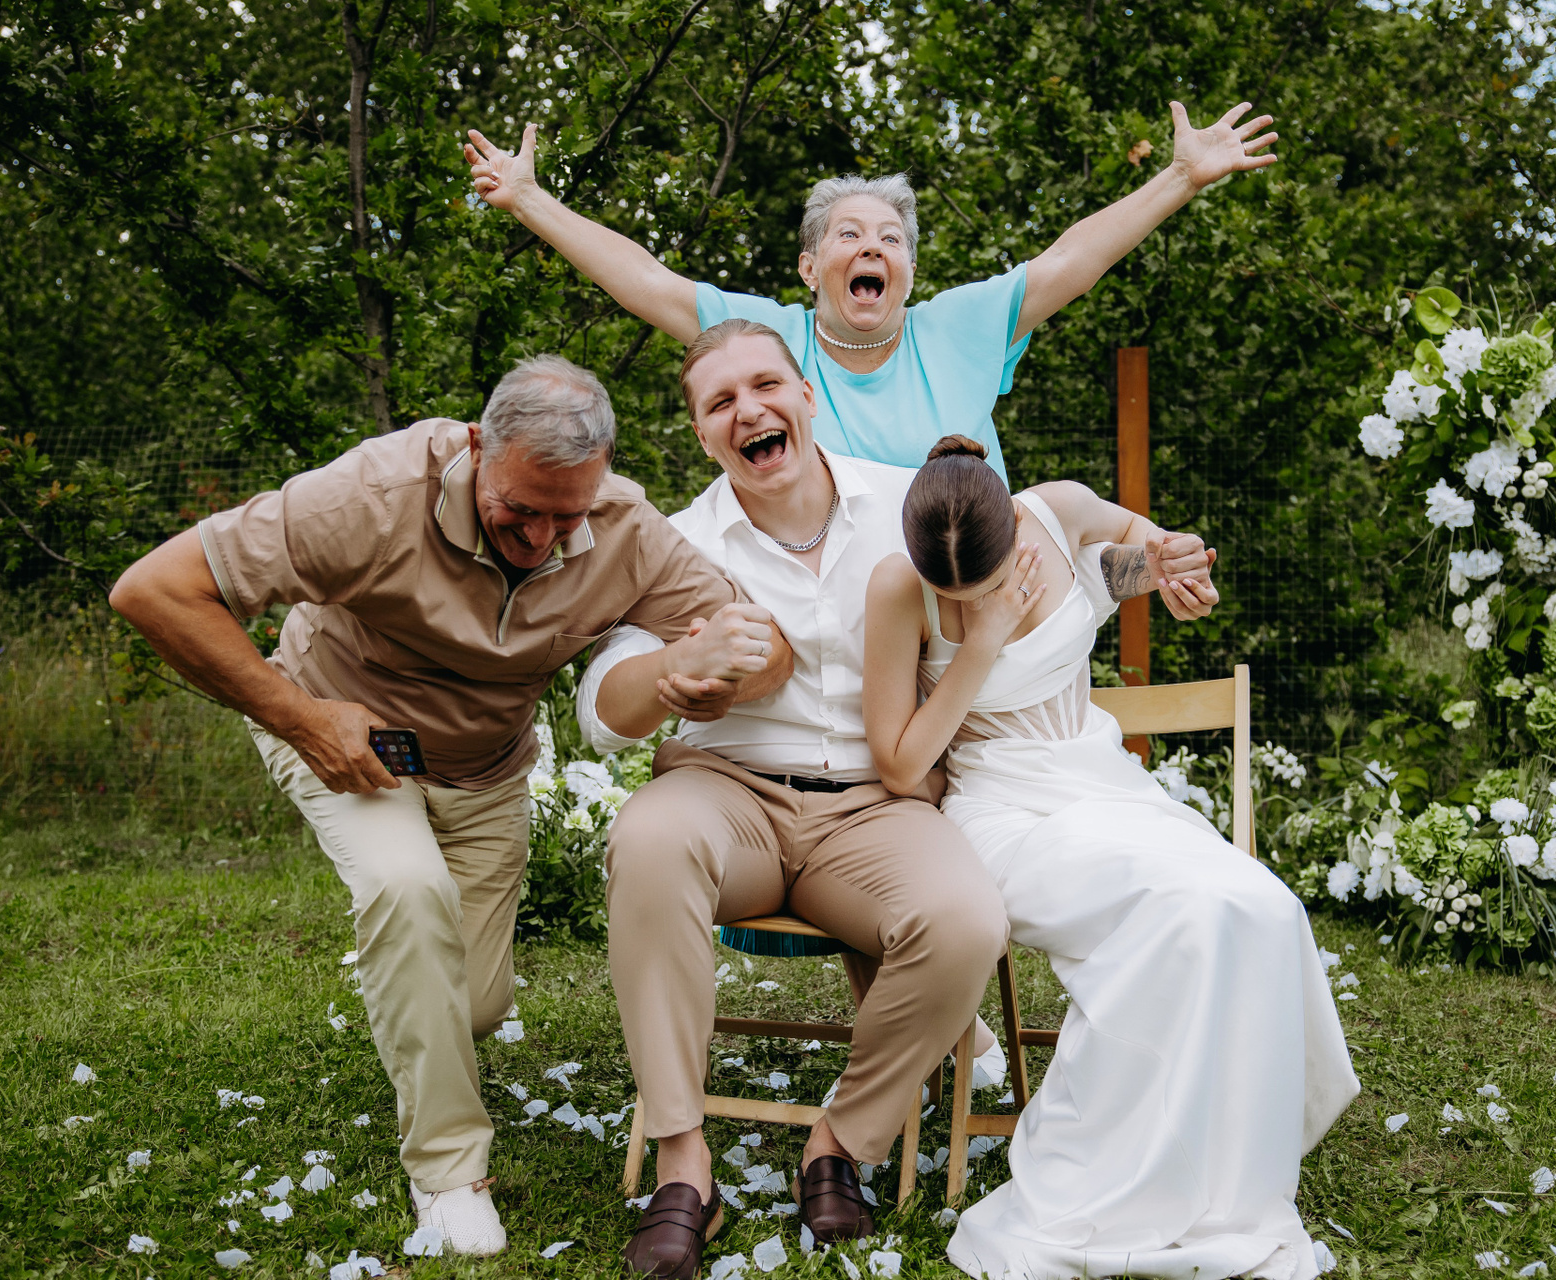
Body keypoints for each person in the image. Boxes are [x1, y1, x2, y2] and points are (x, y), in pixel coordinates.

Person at [574, 321, 1220, 1280]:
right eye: (720, 402)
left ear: (805, 395)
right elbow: (600, 706)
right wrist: (671, 670)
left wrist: (1150, 565)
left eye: (765, 386)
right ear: (702, 433)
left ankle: (841, 1140)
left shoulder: (910, 505)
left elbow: (1047, 568)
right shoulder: (675, 544)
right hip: (727, 793)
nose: (748, 411)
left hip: (880, 806)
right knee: (649, 840)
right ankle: (683, 1163)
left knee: (965, 920)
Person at [108, 354, 790, 1257]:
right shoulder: (373, 496)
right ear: (477, 447)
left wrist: (721, 675)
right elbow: (152, 589)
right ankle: (448, 1176)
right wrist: (300, 718)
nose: (541, 538)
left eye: (567, 517)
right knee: (407, 889)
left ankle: (413, 978)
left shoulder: (624, 526)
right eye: (520, 509)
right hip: (347, 739)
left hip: (488, 770)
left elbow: (766, 646)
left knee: (473, 1004)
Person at [861, 437, 1360, 1280]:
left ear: (1012, 529)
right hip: (1001, 809)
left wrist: (1175, 571)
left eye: (984, 586)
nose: (968, 603)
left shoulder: (1059, 511)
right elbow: (903, 767)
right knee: (1172, 915)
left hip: (1103, 781)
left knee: (1263, 904)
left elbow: (1143, 553)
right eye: (954, 596)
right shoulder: (896, 589)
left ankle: (1220, 1152)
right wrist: (980, 644)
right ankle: (1107, 1174)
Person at [462, 101, 1279, 478]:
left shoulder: (958, 327)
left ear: (910, 273)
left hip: (971, 594)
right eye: (849, 235)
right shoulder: (764, 344)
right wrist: (529, 200)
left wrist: (1179, 178)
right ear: (809, 267)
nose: (872, 249)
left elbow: (1073, 260)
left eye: (891, 240)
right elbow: (644, 279)